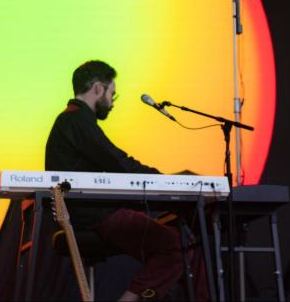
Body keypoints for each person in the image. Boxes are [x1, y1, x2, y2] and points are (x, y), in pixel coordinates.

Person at [45, 60, 195, 302]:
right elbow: (116, 161)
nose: (113, 101)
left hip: (92, 212)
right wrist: (164, 182)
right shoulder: (76, 120)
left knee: (180, 245)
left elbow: (112, 162)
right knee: (177, 246)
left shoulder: (74, 120)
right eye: (112, 93)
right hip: (92, 215)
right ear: (97, 89)